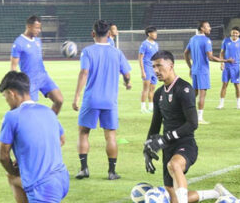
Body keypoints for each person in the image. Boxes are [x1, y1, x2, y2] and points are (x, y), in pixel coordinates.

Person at [0, 71, 118, 203]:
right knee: (12, 178)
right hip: (61, 178)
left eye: (5, 96)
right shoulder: (47, 112)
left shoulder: (12, 117)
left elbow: (3, 157)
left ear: (12, 93)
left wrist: (19, 166)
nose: (6, 100)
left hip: (43, 187)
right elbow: (61, 140)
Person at [143, 50, 232, 203]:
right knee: (174, 199)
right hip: (168, 147)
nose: (156, 70)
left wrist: (167, 137)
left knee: (174, 165)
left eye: (159, 65)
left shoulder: (184, 88)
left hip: (185, 143)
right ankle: (216, 193)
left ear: (171, 65)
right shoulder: (159, 93)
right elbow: (155, 124)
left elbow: (192, 123)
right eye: (153, 67)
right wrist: (147, 147)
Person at [72, 20, 132, 181]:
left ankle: (84, 169)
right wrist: (127, 83)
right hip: (110, 101)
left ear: (93, 33)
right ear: (109, 34)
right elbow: (127, 74)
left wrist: (76, 96)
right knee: (110, 135)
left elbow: (84, 72)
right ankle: (112, 172)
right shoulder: (117, 53)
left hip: (91, 99)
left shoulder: (88, 51)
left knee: (83, 133)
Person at [10, 15, 63, 115]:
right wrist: (14, 83)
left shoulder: (38, 41)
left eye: (39, 28)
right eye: (36, 28)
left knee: (59, 100)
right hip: (30, 80)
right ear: (29, 26)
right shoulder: (19, 43)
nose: (39, 30)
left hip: (43, 77)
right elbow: (13, 66)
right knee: (29, 110)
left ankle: (49, 121)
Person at [184, 21, 233, 124]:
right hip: (202, 70)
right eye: (208, 26)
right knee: (202, 94)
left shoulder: (192, 39)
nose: (210, 28)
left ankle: (184, 113)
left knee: (194, 94)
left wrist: (190, 67)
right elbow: (210, 57)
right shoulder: (206, 40)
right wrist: (226, 60)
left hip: (195, 70)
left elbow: (185, 53)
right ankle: (199, 118)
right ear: (202, 28)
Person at [217, 26, 240, 110]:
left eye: (236, 33)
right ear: (231, 33)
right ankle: (221, 104)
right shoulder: (226, 41)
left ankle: (238, 104)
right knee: (224, 84)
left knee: (237, 85)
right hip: (226, 66)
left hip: (236, 67)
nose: (234, 34)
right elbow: (222, 53)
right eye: (233, 32)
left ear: (239, 34)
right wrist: (221, 63)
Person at [138, 26, 160, 113]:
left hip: (154, 68)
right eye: (154, 33)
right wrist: (142, 71)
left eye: (156, 32)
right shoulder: (144, 44)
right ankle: (143, 107)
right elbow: (140, 58)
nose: (156, 34)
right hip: (147, 68)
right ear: (149, 34)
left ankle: (151, 107)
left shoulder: (156, 44)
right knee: (146, 88)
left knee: (152, 89)